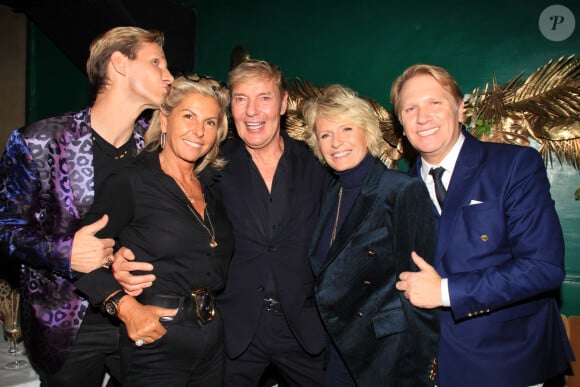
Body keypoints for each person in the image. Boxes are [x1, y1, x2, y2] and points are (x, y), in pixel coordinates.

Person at [112, 59, 332, 386]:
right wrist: (117, 257)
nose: (252, 111)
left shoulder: (317, 163)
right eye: (241, 99)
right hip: (232, 331)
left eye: (265, 98)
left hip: (302, 329)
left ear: (284, 103)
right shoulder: (211, 167)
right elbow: (157, 208)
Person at [0, 26, 173, 386]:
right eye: (156, 62)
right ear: (119, 64)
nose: (168, 76)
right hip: (68, 327)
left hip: (142, 314)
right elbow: (6, 231)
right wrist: (65, 252)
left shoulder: (158, 151)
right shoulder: (40, 142)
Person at [392, 64, 574, 387]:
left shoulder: (513, 165)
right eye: (410, 108)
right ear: (401, 124)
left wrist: (445, 292)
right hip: (431, 368)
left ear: (461, 109)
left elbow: (543, 267)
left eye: (435, 103)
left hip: (510, 364)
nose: (423, 117)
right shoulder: (397, 190)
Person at [74, 75, 234, 386]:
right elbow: (80, 254)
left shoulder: (212, 188)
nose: (199, 131)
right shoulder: (132, 181)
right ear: (164, 120)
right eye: (188, 116)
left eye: (210, 122)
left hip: (212, 339)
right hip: (156, 341)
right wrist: (124, 306)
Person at [300, 84, 439, 386]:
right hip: (337, 349)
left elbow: (421, 290)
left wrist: (417, 371)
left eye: (347, 129)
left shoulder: (400, 189)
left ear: (367, 132)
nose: (337, 142)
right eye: (325, 134)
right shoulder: (331, 193)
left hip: (386, 356)